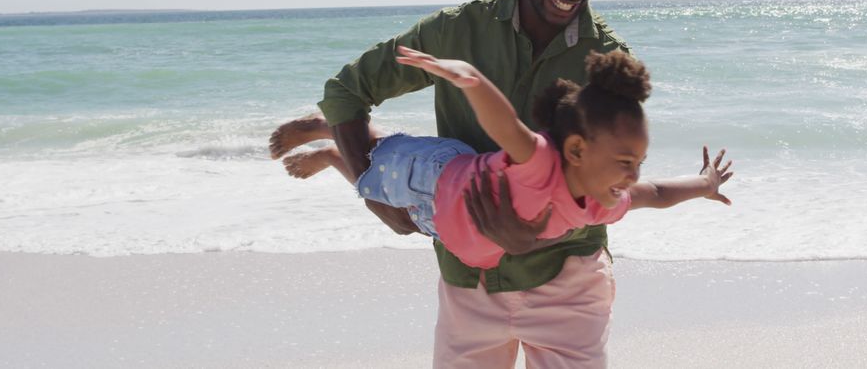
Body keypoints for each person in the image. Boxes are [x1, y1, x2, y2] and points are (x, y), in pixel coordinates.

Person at [270, 0, 708, 367]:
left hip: (569, 283)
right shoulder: (459, 30)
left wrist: (534, 238)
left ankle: (333, 144)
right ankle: (337, 144)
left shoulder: (607, 63)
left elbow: (610, 185)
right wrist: (373, 192)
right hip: (468, 279)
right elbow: (346, 92)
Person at [280, 45, 733, 270]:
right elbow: (505, 126)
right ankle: (329, 135)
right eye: (624, 161)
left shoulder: (603, 201)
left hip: (442, 222)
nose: (633, 174)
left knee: (395, 219)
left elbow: (655, 193)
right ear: (576, 149)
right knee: (370, 175)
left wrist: (706, 184)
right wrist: (469, 79)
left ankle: (332, 146)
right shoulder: (540, 161)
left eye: (639, 161)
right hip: (436, 178)